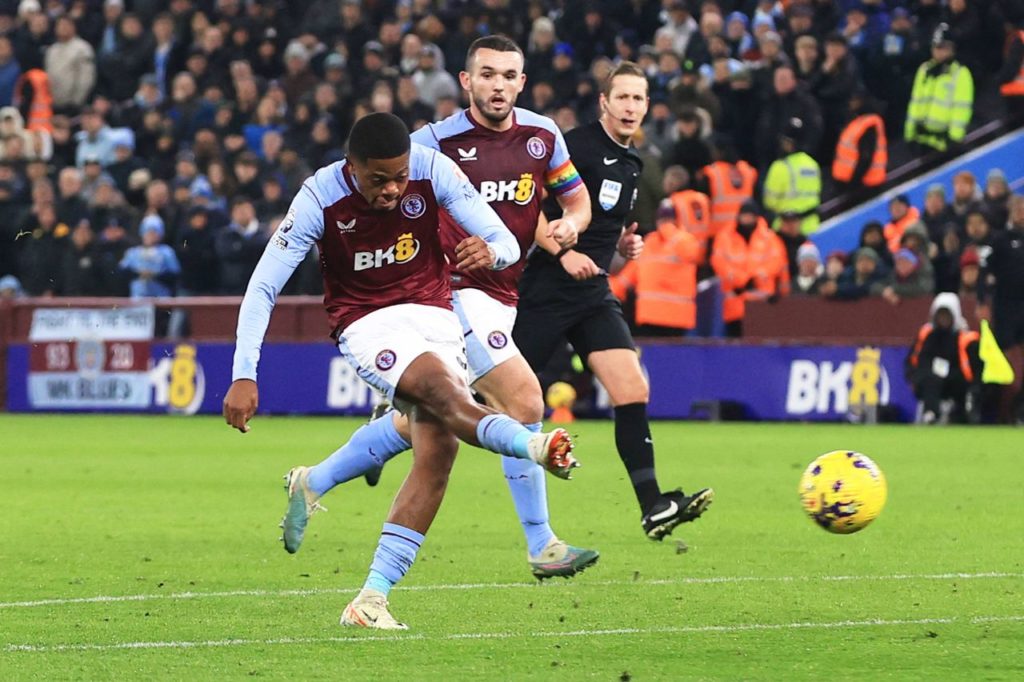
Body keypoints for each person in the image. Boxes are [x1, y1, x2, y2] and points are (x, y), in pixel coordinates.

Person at [223, 113, 578, 630]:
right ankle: (535, 446)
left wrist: (492, 251)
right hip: (367, 323)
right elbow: (263, 288)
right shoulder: (319, 196)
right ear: (352, 167)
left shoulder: (433, 170)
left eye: (399, 177)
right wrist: (244, 372)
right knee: (442, 393)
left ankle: (370, 598)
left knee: (438, 452)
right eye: (378, 179)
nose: (392, 189)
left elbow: (505, 240)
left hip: (436, 317)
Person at [279, 36, 597, 581]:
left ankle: (316, 480)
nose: (498, 84)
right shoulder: (435, 141)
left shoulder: (544, 136)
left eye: (509, 75)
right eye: (488, 74)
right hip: (451, 291)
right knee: (522, 400)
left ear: (523, 82)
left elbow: (574, 200)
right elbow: (384, 177)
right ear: (467, 81)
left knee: (427, 422)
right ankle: (542, 543)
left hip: (505, 291)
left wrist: (569, 228)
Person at [515, 62, 714, 540]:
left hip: (592, 292)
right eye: (621, 98)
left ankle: (653, 505)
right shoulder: (576, 147)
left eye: (638, 99)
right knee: (483, 401)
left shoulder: (633, 163)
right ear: (603, 102)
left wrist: (624, 246)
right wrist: (563, 254)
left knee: (632, 389)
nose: (630, 107)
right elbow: (526, 213)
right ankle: (391, 429)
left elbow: (611, 225)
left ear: (647, 106)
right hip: (546, 290)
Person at [610, 201, 700, 336]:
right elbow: (630, 274)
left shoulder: (682, 241)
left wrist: (668, 230)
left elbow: (692, 253)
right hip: (660, 316)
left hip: (666, 316)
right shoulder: (653, 241)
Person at [710, 200, 790, 337]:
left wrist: (755, 277)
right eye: (744, 215)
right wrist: (741, 280)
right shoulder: (724, 237)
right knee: (736, 345)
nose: (746, 218)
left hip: (762, 304)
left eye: (750, 215)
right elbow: (718, 262)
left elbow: (777, 263)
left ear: (756, 216)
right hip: (735, 303)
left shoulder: (769, 238)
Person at [977, 194, 1024, 423]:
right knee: (1006, 358)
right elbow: (983, 271)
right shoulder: (1000, 240)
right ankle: (1002, 407)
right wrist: (981, 301)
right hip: (1005, 306)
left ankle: (1019, 405)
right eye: (1018, 209)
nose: (1021, 213)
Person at [906, 293, 981, 424]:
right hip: (930, 380)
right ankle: (931, 414)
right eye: (940, 315)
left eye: (947, 315)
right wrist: (915, 376)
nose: (943, 319)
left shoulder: (966, 338)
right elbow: (917, 360)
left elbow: (974, 368)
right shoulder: (926, 335)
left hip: (956, 381)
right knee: (930, 379)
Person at [905, 23, 974, 154]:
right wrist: (909, 133)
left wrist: (955, 138)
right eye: (936, 47)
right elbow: (915, 102)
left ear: (952, 48)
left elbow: (962, 109)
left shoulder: (960, 74)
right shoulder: (925, 70)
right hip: (922, 140)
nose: (939, 51)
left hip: (944, 143)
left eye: (943, 47)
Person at [763, 118, 821, 235]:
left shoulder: (780, 166)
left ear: (789, 143)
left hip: (786, 228)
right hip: (811, 227)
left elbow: (769, 202)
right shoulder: (813, 165)